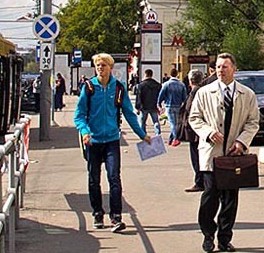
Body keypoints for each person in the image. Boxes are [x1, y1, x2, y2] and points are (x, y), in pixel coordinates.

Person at [188, 52, 259, 253]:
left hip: (233, 155)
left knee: (230, 200)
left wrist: (241, 142)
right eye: (218, 67)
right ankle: (208, 234)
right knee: (210, 195)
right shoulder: (204, 92)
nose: (220, 70)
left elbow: (253, 122)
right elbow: (194, 118)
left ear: (234, 69)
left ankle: (224, 238)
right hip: (212, 153)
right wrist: (208, 132)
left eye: (225, 67)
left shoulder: (247, 94)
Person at [74, 53, 149, 233]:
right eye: (98, 65)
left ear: (110, 68)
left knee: (114, 177)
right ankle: (97, 213)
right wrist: (85, 132)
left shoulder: (119, 88)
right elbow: (79, 115)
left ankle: (116, 216)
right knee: (94, 179)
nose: (100, 68)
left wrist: (142, 134)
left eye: (104, 65)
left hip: (112, 140)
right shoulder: (89, 87)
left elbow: (129, 113)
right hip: (93, 140)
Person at [179, 69, 205, 192]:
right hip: (199, 131)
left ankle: (200, 182)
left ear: (190, 81)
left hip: (196, 132)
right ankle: (202, 181)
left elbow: (190, 112)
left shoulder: (196, 93)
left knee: (197, 158)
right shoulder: (201, 91)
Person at [159, 68, 188, 146]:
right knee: (176, 123)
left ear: (170, 74)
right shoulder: (182, 84)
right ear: (177, 74)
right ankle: (170, 139)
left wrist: (159, 103)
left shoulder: (166, 84)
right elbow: (185, 97)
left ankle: (175, 138)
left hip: (169, 105)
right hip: (178, 106)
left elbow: (161, 95)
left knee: (172, 123)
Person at [135, 68, 162, 136]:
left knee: (142, 122)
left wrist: (138, 107)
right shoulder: (157, 84)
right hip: (154, 106)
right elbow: (160, 96)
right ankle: (157, 133)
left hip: (144, 107)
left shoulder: (141, 85)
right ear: (152, 75)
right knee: (155, 121)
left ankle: (143, 135)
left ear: (145, 74)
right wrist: (159, 106)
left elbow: (139, 97)